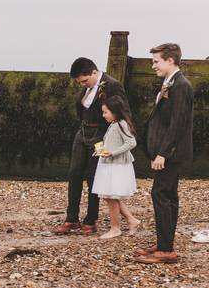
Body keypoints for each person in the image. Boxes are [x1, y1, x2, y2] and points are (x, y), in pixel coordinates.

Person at [53, 58, 129, 235]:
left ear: (94, 72)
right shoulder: (86, 87)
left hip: (101, 135)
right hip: (83, 132)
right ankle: (71, 218)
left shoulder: (113, 85)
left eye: (85, 81)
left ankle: (90, 219)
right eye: (80, 83)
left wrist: (115, 139)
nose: (83, 85)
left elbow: (123, 112)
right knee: (74, 173)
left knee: (94, 176)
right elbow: (81, 108)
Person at [136, 43, 194, 264]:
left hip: (171, 153)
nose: (153, 65)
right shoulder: (170, 83)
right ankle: (163, 244)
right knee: (167, 195)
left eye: (156, 61)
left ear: (170, 61)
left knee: (161, 195)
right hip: (166, 151)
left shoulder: (181, 86)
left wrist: (163, 153)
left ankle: (167, 250)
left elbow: (178, 124)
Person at [91, 97, 141, 239]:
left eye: (106, 112)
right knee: (109, 196)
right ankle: (132, 220)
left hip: (116, 165)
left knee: (111, 196)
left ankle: (115, 228)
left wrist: (113, 153)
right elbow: (113, 142)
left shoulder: (121, 124)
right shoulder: (114, 124)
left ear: (115, 112)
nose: (103, 115)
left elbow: (131, 143)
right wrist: (102, 150)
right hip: (108, 164)